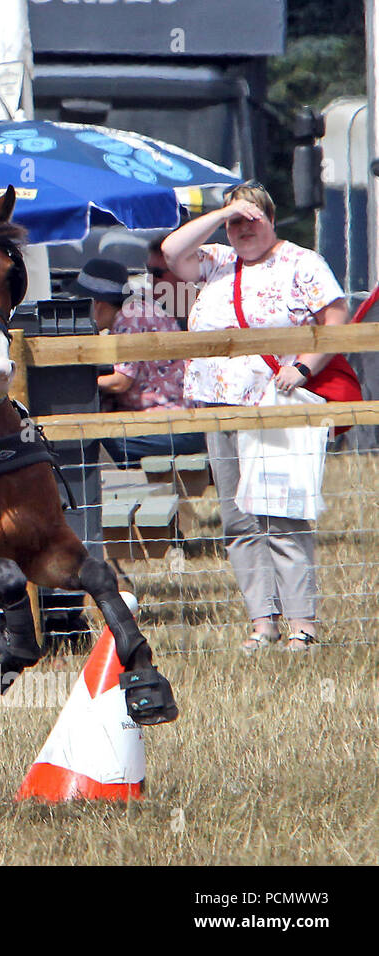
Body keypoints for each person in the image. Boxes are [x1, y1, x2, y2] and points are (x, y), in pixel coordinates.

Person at [163, 181, 350, 653]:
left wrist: (304, 367)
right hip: (217, 404)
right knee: (239, 518)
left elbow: (336, 316)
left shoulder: (302, 262)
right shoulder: (217, 261)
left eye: (252, 219)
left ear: (270, 218)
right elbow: (171, 251)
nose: (243, 229)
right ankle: (262, 622)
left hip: (273, 403)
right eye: (234, 223)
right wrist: (220, 214)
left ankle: (302, 625)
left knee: (281, 514)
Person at [65, 257, 205, 464]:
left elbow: (121, 381)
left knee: (93, 442)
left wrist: (73, 384)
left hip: (172, 427)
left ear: (96, 305)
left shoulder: (129, 318)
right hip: (181, 424)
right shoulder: (138, 312)